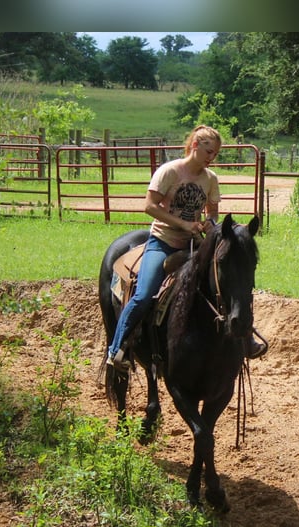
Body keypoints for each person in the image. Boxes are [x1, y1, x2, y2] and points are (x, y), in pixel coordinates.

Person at [107, 125, 266, 370]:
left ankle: (245, 339)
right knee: (144, 292)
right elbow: (149, 206)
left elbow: (213, 213)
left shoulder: (210, 179)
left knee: (227, 281)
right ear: (195, 145)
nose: (211, 157)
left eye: (214, 153)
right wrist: (183, 223)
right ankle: (117, 349)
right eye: (208, 151)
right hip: (164, 241)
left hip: (196, 244)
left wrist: (207, 225)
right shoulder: (169, 172)